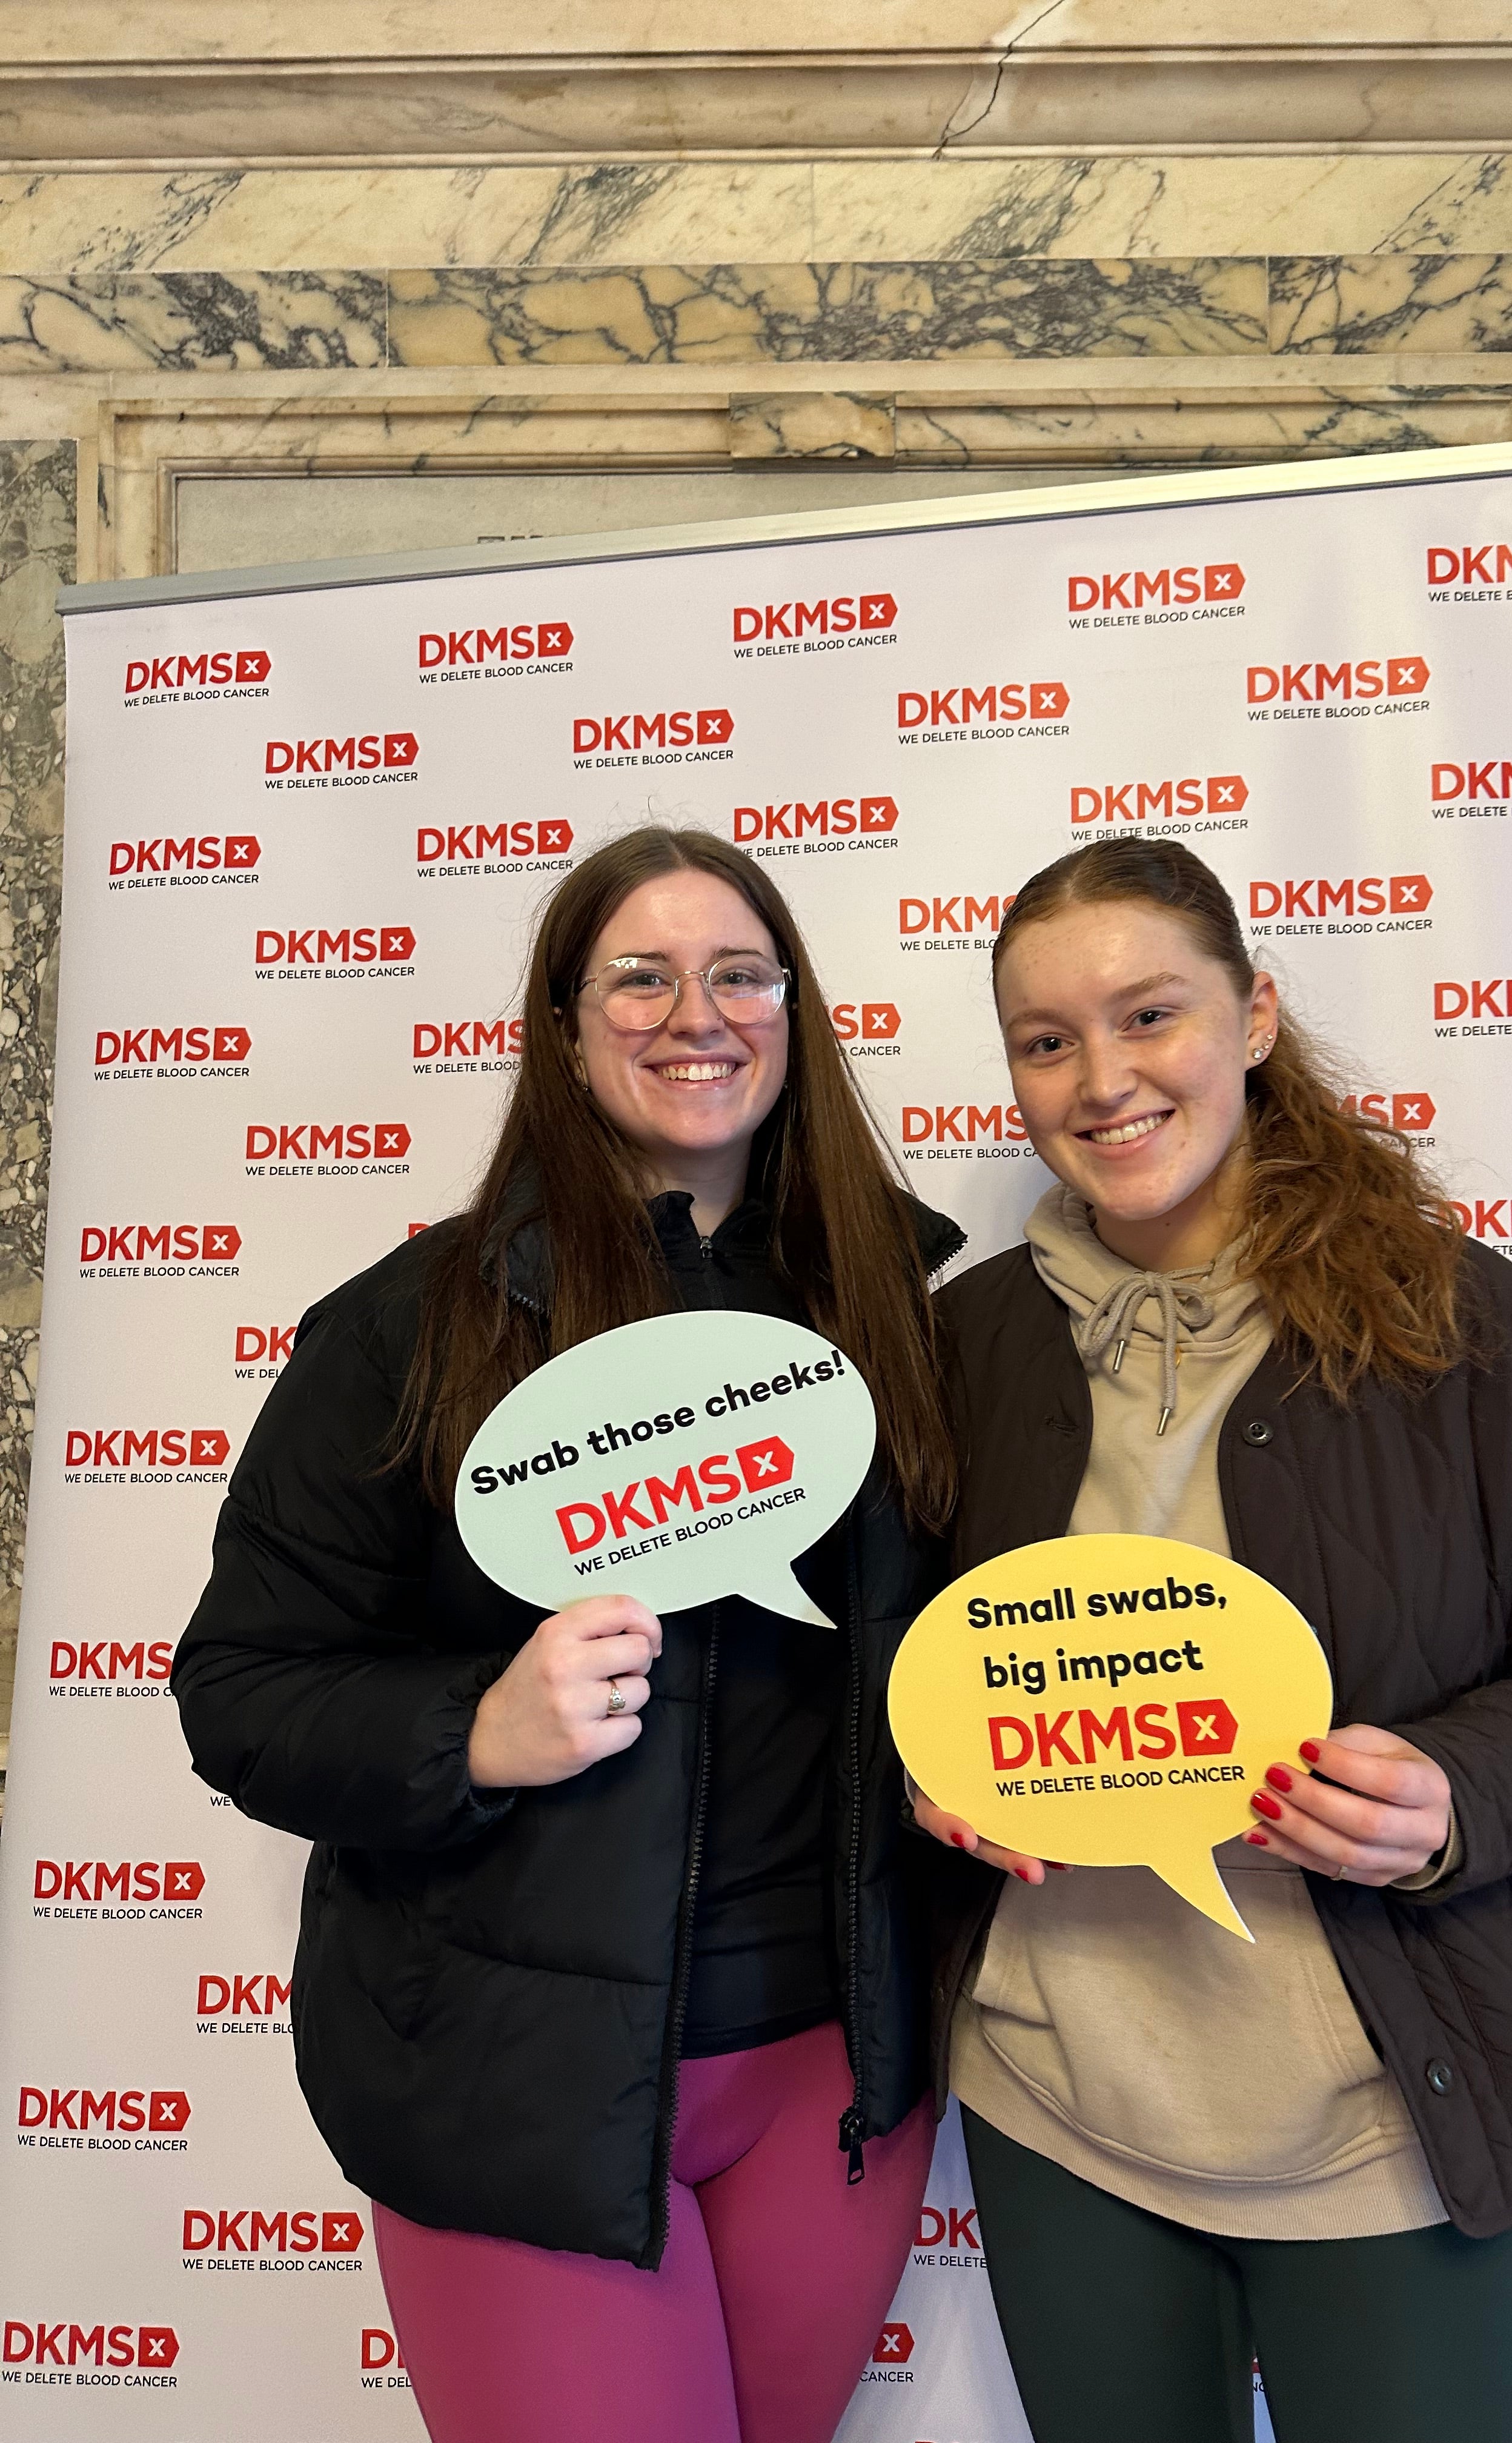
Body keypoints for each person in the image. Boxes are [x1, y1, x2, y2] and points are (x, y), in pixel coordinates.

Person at [173, 828, 963, 2443]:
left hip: (828, 2079)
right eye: (643, 977)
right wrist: (471, 1732)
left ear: (795, 1011)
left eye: (743, 972)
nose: (701, 1013)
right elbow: (242, 1691)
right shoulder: (416, 1323)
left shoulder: (898, 1308)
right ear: (560, 1023)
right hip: (517, 2077)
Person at [913, 836, 1512, 2443]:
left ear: (1256, 1014)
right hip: (1057, 2105)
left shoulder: (1453, 1318)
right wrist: (928, 1768)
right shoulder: (964, 1342)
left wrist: (1454, 1793)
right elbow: (903, 1664)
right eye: (1047, 1040)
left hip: (1384, 2125)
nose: (1102, 1079)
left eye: (1151, 1016)